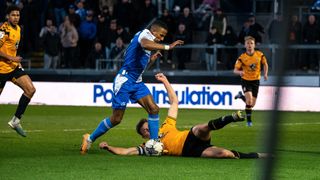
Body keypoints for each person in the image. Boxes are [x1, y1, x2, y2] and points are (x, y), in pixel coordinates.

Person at [99, 73, 268, 159]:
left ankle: (233, 117)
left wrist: (165, 81)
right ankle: (259, 155)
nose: (148, 131)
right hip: (190, 152)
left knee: (201, 128)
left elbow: (174, 102)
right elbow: (127, 151)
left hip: (189, 137)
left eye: (147, 127)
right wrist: (109, 147)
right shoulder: (149, 147)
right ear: (143, 135)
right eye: (144, 131)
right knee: (225, 154)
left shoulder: (166, 125)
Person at [80, 20, 184, 154]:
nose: (162, 39)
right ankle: (89, 138)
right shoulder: (144, 35)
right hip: (125, 81)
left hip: (136, 82)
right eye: (161, 35)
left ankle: (153, 143)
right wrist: (168, 47)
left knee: (153, 108)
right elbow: (145, 43)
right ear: (154, 31)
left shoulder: (148, 46)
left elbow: (141, 68)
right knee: (116, 119)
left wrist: (151, 60)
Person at [0, 5, 36, 137]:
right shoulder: (4, 30)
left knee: (30, 90)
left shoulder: (19, 29)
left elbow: (12, 48)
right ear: (8, 16)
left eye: (18, 15)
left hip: (14, 67)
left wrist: (16, 60)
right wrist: (11, 57)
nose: (16, 17)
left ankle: (15, 121)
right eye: (13, 15)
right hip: (1, 70)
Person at [233, 36, 268, 127]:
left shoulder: (260, 54)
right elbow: (235, 70)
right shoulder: (242, 57)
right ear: (245, 45)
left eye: (251, 43)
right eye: (248, 43)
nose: (249, 45)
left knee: (252, 104)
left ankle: (241, 96)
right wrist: (239, 72)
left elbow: (265, 64)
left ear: (254, 45)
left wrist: (265, 74)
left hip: (256, 81)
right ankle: (249, 121)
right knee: (249, 101)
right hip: (246, 81)